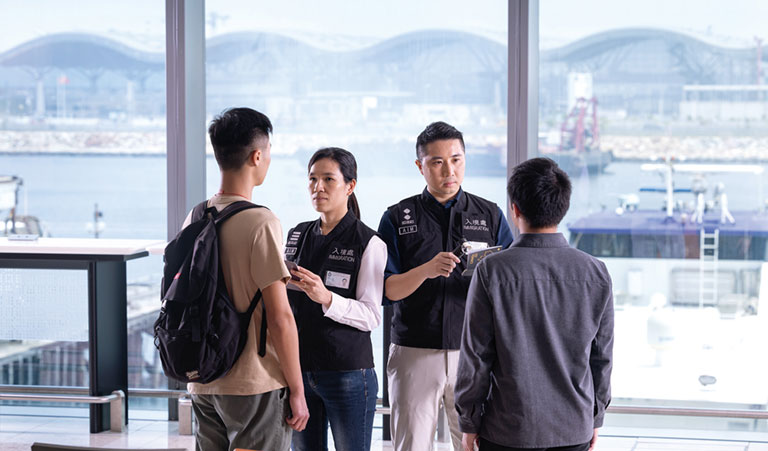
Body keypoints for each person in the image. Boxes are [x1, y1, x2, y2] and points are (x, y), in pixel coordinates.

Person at [455, 157, 614, 451]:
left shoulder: (492, 271)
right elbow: (601, 359)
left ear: (515, 210)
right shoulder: (596, 272)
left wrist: (469, 422)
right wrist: (596, 416)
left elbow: (476, 357)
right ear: (562, 208)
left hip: (508, 429)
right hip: (573, 427)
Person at [378, 121, 514, 451]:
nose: (448, 170)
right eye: (437, 162)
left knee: (475, 445)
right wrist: (426, 270)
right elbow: (387, 290)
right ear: (420, 166)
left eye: (456, 159)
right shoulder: (397, 217)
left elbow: (511, 283)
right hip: (414, 351)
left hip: (473, 354)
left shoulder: (490, 215)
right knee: (411, 445)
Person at [186, 107, 309, 451]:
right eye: (268, 152)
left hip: (204, 381)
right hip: (253, 385)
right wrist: (298, 392)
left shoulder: (195, 216)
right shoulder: (261, 222)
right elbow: (281, 317)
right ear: (257, 156)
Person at [284, 147, 386, 451]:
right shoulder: (297, 234)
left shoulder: (368, 242)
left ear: (350, 185)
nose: (318, 187)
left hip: (348, 374)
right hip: (300, 372)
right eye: (313, 179)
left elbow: (371, 315)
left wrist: (326, 298)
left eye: (329, 179)